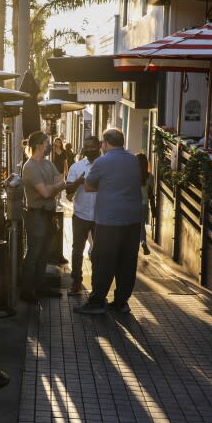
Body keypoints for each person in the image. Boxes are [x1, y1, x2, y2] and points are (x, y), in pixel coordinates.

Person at [74, 128, 143, 315]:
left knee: (103, 260)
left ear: (105, 144)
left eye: (102, 144)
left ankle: (96, 302)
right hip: (133, 219)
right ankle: (121, 302)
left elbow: (88, 186)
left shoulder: (101, 161)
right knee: (127, 261)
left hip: (109, 220)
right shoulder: (133, 160)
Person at [20, 131, 67, 303]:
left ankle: (39, 287)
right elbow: (47, 191)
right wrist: (55, 187)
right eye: (47, 143)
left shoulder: (47, 164)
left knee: (44, 253)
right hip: (36, 215)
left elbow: (60, 180)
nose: (50, 146)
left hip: (48, 214)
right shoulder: (30, 167)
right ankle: (26, 291)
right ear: (40, 145)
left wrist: (53, 187)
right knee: (33, 254)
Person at [65, 136, 101, 296]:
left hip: (101, 216)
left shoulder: (105, 166)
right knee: (77, 250)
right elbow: (68, 192)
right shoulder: (76, 167)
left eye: (92, 147)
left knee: (99, 252)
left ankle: (97, 285)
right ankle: (76, 282)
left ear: (99, 146)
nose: (89, 150)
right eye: (86, 147)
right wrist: (79, 182)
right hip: (80, 214)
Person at [136, 152, 154, 256]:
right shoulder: (150, 177)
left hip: (134, 204)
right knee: (141, 226)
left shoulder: (133, 176)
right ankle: (143, 242)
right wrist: (153, 208)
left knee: (133, 226)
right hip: (144, 205)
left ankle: (133, 246)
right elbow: (151, 194)